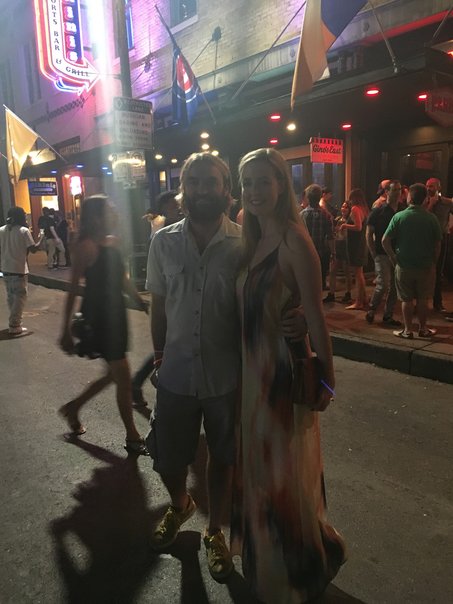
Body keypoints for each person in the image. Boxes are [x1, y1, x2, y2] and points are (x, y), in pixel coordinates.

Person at [145, 152, 306, 581]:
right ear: (184, 189)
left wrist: (302, 314)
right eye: (193, 182)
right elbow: (158, 305)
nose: (202, 190)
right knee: (167, 458)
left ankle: (215, 529)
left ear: (225, 190)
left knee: (223, 457)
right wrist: (158, 355)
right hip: (176, 372)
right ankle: (180, 504)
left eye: (210, 182)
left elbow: (275, 290)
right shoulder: (163, 241)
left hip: (228, 375)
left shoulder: (243, 244)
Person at [231, 148, 345, 603]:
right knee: (260, 472)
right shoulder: (249, 231)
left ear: (282, 185)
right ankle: (269, 564)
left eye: (265, 181)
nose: (255, 191)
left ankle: (295, 572)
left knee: (284, 476)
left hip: (279, 375)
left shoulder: (294, 240)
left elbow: (316, 316)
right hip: (250, 374)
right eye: (248, 182)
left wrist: (327, 379)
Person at [58, 195, 149, 455]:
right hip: (99, 319)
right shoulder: (85, 246)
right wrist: (65, 329)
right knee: (123, 377)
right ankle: (132, 436)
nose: (116, 213)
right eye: (110, 210)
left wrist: (138, 300)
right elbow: (72, 289)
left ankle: (74, 407)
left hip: (117, 315)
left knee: (113, 375)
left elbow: (121, 278)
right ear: (97, 217)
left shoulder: (113, 242)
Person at [132, 190, 182, 407]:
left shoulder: (176, 224)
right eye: (172, 204)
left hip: (177, 298)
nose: (176, 207)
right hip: (169, 298)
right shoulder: (162, 229)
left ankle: (139, 382)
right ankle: (142, 381)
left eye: (176, 203)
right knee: (166, 344)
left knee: (168, 344)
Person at [382, 183, 442, 339]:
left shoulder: (399, 217)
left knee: (406, 299)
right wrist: (433, 262)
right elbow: (437, 244)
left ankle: (407, 330)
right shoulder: (431, 218)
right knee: (423, 299)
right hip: (425, 265)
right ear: (425, 199)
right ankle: (423, 329)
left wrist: (393, 257)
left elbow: (385, 240)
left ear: (409, 198)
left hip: (403, 265)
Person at [0, 207, 43, 335]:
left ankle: (16, 323)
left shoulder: (1, 230)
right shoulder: (23, 231)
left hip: (5, 269)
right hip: (19, 269)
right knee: (20, 297)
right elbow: (33, 249)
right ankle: (14, 324)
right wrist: (41, 238)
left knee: (11, 297)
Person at [365, 180, 402, 326]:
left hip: (398, 253)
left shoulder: (402, 210)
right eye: (395, 190)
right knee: (383, 284)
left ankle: (388, 315)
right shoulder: (378, 211)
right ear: (387, 192)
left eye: (399, 190)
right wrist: (373, 253)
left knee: (394, 286)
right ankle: (372, 309)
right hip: (382, 253)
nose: (398, 193)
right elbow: (369, 234)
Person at [425, 177, 453, 312]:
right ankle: (421, 302)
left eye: (431, 186)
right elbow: (423, 218)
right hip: (426, 239)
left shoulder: (447, 203)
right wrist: (431, 204)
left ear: (439, 188)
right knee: (423, 270)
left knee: (438, 270)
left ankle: (437, 302)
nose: (428, 188)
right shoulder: (423, 202)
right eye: (427, 186)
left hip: (441, 238)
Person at [301, 184, 335, 291]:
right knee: (320, 281)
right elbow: (330, 237)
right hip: (321, 252)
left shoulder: (301, 215)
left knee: (306, 281)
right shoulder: (326, 215)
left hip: (305, 253)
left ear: (308, 197)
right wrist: (333, 252)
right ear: (320, 196)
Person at [340, 188, 369, 309]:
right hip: (361, 243)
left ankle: (358, 302)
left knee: (358, 274)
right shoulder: (364, 209)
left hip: (356, 244)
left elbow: (358, 227)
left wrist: (344, 225)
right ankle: (364, 299)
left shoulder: (355, 209)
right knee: (359, 273)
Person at [324, 201, 353, 303]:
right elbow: (333, 232)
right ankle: (331, 293)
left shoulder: (350, 220)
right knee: (332, 271)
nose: (343, 209)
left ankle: (348, 293)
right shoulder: (338, 219)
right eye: (342, 207)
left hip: (345, 246)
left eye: (346, 207)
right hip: (338, 245)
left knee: (347, 271)